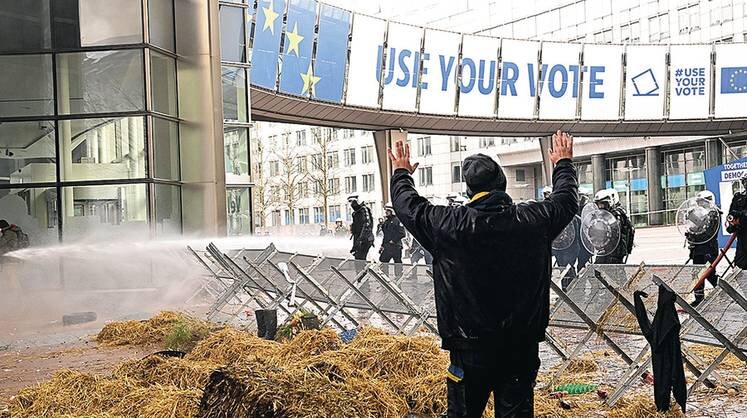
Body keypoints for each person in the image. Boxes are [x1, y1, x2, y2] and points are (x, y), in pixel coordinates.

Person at [388, 131, 577, 417]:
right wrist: (563, 163)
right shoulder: (533, 220)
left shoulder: (448, 225)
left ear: (469, 191)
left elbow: (408, 206)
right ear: (503, 184)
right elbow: (566, 200)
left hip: (469, 350)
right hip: (520, 348)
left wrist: (402, 172)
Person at [688, 190, 720, 307]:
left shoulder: (714, 213)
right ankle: (699, 298)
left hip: (708, 248)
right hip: (698, 247)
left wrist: (695, 230)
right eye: (699, 202)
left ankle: (723, 291)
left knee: (709, 273)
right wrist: (690, 231)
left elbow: (708, 233)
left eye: (702, 202)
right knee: (696, 273)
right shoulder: (700, 213)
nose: (700, 204)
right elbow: (694, 228)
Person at [592, 189, 634, 264]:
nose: (600, 206)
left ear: (609, 203)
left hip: (616, 250)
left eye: (602, 204)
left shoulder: (616, 214)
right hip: (606, 249)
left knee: (615, 270)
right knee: (598, 268)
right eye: (598, 204)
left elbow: (614, 231)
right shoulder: (603, 215)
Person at [379, 203, 406, 278]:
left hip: (396, 247)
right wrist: (382, 245)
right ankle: (385, 280)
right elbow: (385, 236)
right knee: (383, 261)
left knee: (397, 264)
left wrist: (393, 240)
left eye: (388, 211)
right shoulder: (386, 222)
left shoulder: (397, 221)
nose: (386, 212)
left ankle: (398, 281)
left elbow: (402, 233)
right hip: (387, 247)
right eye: (386, 211)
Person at [727, 174, 747, 269]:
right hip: (742, 237)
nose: (746, 183)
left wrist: (741, 214)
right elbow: (730, 215)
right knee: (740, 265)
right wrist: (732, 225)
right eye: (744, 181)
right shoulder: (738, 197)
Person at [348, 195, 374, 261]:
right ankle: (361, 271)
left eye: (352, 202)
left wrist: (360, 240)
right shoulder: (355, 213)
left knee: (360, 257)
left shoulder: (364, 210)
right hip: (359, 238)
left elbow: (367, 225)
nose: (351, 205)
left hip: (365, 239)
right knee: (358, 257)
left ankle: (363, 270)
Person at [576, 192, 593, 270]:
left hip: (586, 242)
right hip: (576, 242)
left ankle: (583, 281)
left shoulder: (590, 210)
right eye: (578, 196)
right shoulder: (575, 209)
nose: (579, 199)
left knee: (582, 265)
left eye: (581, 196)